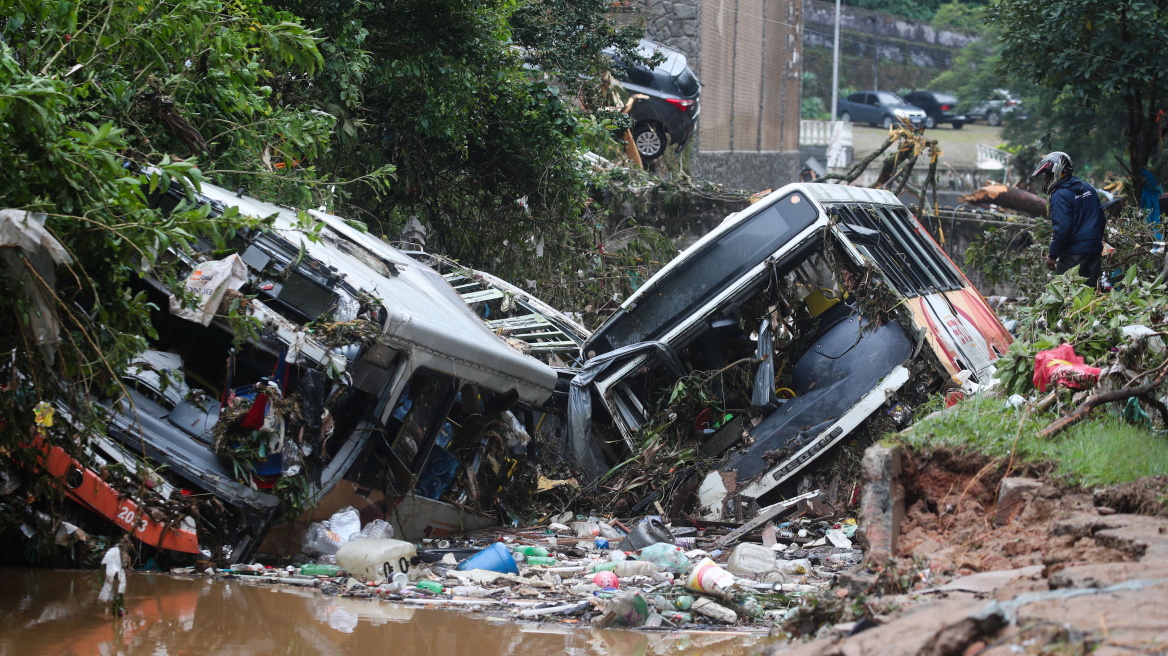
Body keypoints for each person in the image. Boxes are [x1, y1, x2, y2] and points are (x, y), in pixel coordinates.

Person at [1031, 151, 1105, 288]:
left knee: (1067, 297)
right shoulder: (1089, 188)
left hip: (1074, 255)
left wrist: (1052, 255)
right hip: (1094, 252)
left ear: (1058, 172)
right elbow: (1101, 219)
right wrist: (1094, 242)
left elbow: (1062, 228)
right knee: (1091, 297)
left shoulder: (1060, 195)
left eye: (1048, 175)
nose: (1046, 179)